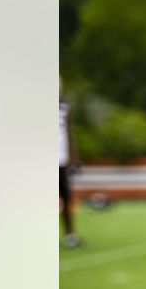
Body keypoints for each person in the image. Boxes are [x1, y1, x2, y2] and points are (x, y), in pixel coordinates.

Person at [59, 81, 82, 249]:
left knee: (67, 199)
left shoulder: (64, 107)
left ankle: (70, 235)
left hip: (62, 161)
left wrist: (74, 157)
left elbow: (70, 133)